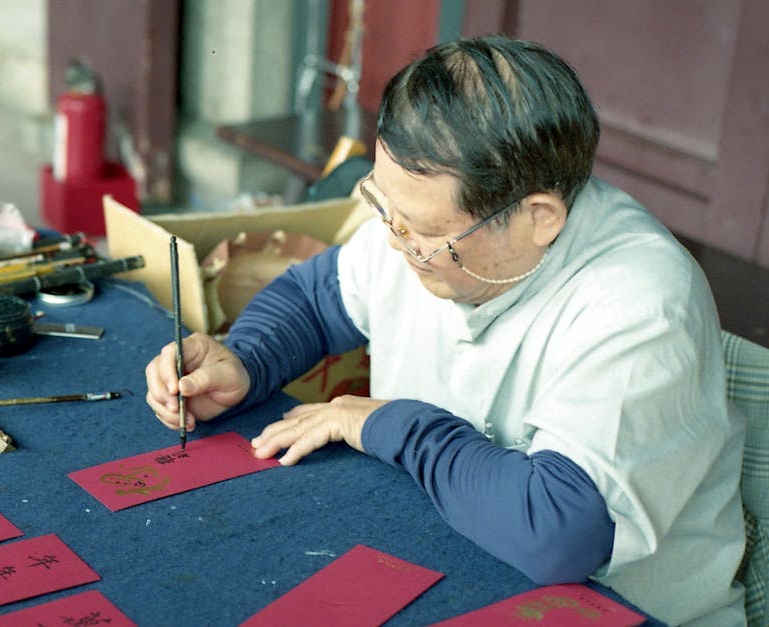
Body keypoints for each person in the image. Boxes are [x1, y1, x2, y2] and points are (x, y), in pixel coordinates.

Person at [145, 35, 745, 625]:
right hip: (441, 553)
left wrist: (391, 423)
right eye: (385, 208)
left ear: (538, 217)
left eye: (422, 230)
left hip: (620, 608)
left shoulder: (639, 300)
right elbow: (316, 295)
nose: (395, 240)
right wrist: (246, 362)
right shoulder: (421, 219)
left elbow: (558, 532)